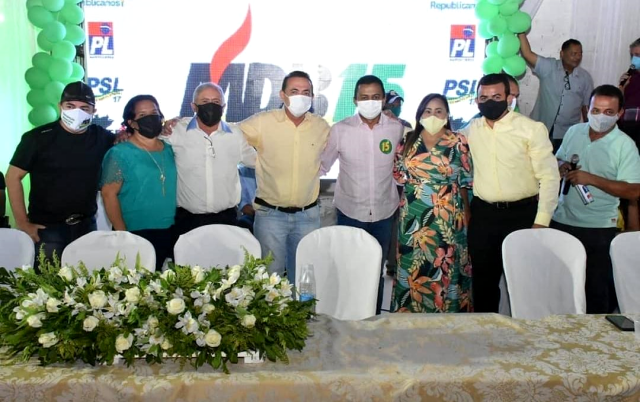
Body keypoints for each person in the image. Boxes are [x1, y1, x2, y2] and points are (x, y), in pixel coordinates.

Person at [466, 73, 560, 313]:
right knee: (483, 282)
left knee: (524, 281)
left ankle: (525, 336)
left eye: (497, 96)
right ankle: (486, 334)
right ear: (476, 101)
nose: (490, 101)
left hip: (522, 216)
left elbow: (549, 177)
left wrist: (541, 222)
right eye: (483, 97)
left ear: (509, 98)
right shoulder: (471, 130)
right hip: (484, 216)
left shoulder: (531, 129)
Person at [320, 75, 404, 314]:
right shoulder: (340, 130)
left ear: (384, 98)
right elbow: (322, 166)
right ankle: (348, 318)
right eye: (365, 97)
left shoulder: (396, 128)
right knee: (348, 269)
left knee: (375, 270)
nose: (370, 102)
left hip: (384, 212)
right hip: (350, 212)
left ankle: (372, 318)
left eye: (376, 97)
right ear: (355, 100)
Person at [553, 85, 640, 314]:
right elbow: (558, 158)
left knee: (595, 292)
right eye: (596, 110)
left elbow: (633, 190)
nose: (601, 116)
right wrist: (561, 166)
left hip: (599, 228)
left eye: (609, 112)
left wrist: (592, 179)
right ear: (588, 109)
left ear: (620, 114)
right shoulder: (574, 131)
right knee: (559, 287)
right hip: (562, 220)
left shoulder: (625, 146)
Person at [6, 82, 114, 266]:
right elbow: (12, 177)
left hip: (86, 226)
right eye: (70, 106)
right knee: (48, 289)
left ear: (93, 111)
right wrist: (23, 222)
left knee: (87, 286)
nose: (77, 112)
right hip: (47, 229)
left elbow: (127, 140)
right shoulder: (37, 138)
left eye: (84, 108)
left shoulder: (101, 137)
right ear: (60, 106)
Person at [239, 71, 330, 285]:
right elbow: (230, 134)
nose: (301, 96)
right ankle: (273, 318)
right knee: (271, 279)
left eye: (306, 92)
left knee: (306, 276)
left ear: (312, 96)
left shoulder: (321, 126)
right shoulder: (263, 122)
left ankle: (306, 317)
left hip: (308, 215)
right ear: (282, 95)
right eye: (294, 91)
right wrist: (254, 160)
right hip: (271, 216)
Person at [391, 94, 473, 313]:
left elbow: (465, 179)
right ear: (419, 115)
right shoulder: (407, 141)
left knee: (444, 265)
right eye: (427, 111)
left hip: (447, 216)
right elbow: (398, 176)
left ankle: (446, 318)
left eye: (439, 111)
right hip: (413, 216)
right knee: (413, 267)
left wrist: (466, 211)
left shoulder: (458, 141)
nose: (433, 115)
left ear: (447, 115)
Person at [161, 83, 256, 237]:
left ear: (224, 106)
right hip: (187, 220)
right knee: (186, 261)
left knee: (227, 261)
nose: (211, 105)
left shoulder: (236, 134)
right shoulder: (176, 130)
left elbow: (259, 162)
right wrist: (122, 135)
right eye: (205, 102)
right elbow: (148, 143)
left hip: (227, 218)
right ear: (194, 106)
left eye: (216, 102)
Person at [100, 95, 177, 271]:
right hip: (135, 231)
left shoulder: (170, 148)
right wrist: (122, 233)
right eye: (142, 115)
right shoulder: (120, 153)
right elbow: (108, 194)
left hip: (171, 229)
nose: (150, 118)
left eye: (154, 112)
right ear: (132, 123)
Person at [519, 33, 594, 151]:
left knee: (561, 166)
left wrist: (589, 131)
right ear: (562, 54)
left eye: (580, 54)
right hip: (541, 128)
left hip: (567, 133)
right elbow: (528, 54)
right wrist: (521, 32)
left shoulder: (585, 77)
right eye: (573, 54)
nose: (577, 57)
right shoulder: (549, 67)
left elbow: (587, 106)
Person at [618, 38, 640, 150]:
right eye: (632, 55)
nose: (635, 59)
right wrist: (622, 88)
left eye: (638, 55)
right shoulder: (631, 76)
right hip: (626, 128)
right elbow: (621, 103)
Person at [237, 164, 257, 232]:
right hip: (252, 214)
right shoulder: (242, 170)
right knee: (243, 223)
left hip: (273, 213)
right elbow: (244, 206)